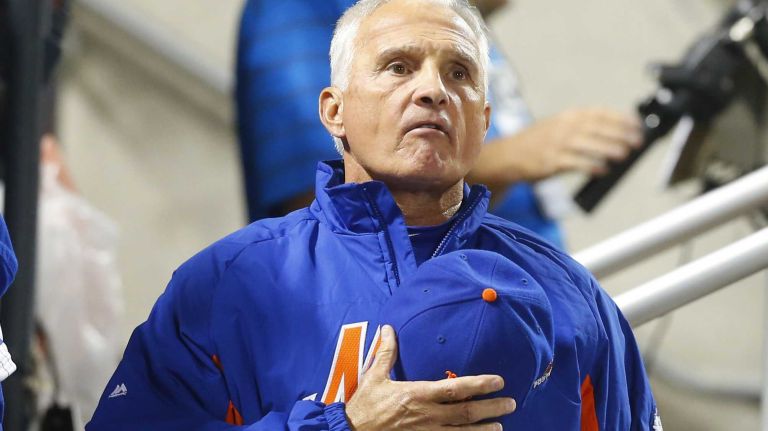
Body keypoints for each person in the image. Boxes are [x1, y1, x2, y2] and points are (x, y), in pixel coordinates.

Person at [88, 0, 659, 429]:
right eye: (397, 67)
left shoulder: (573, 297)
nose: (433, 90)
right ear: (335, 112)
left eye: (458, 73)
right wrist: (348, 424)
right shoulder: (227, 284)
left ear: (483, 120)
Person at [236, 0, 641, 249]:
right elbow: (321, 209)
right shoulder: (298, 8)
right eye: (398, 68)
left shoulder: (455, 23)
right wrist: (508, 160)